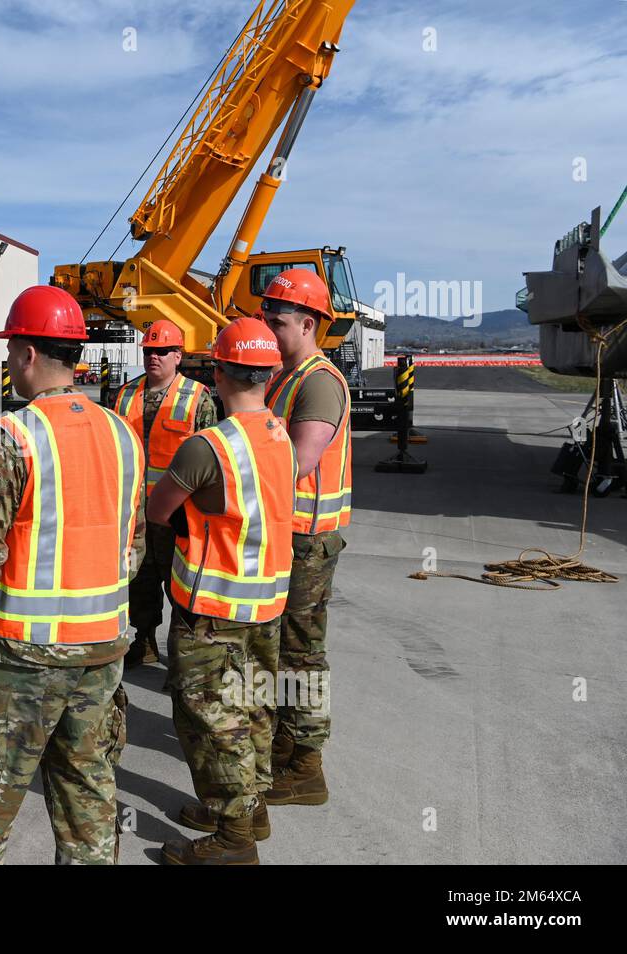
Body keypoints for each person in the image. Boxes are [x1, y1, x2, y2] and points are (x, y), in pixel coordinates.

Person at [0, 285, 144, 865]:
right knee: (88, 793)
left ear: (29, 354)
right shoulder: (123, 434)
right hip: (103, 651)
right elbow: (132, 547)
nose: (8, 362)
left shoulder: (11, 439)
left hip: (23, 654)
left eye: (10, 351)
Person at [146, 317, 296, 865]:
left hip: (213, 606)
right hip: (266, 601)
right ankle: (249, 811)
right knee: (254, 708)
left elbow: (157, 511)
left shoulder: (207, 446)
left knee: (213, 720)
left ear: (219, 372)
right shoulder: (280, 433)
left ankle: (233, 839)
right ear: (269, 372)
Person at [259, 268, 352, 806]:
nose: (270, 328)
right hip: (286, 534)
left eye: (279, 320)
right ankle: (287, 744)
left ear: (310, 323)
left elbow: (300, 461)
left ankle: (306, 766)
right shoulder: (282, 375)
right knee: (283, 651)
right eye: (267, 319)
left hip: (308, 540)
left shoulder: (318, 381)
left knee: (301, 653)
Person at [113, 319, 217, 666]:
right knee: (138, 583)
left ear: (178, 355)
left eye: (161, 351)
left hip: (178, 516)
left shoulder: (197, 397)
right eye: (148, 350)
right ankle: (141, 644)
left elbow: (211, 462)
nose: (153, 356)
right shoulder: (126, 394)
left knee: (181, 588)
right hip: (135, 515)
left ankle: (183, 658)